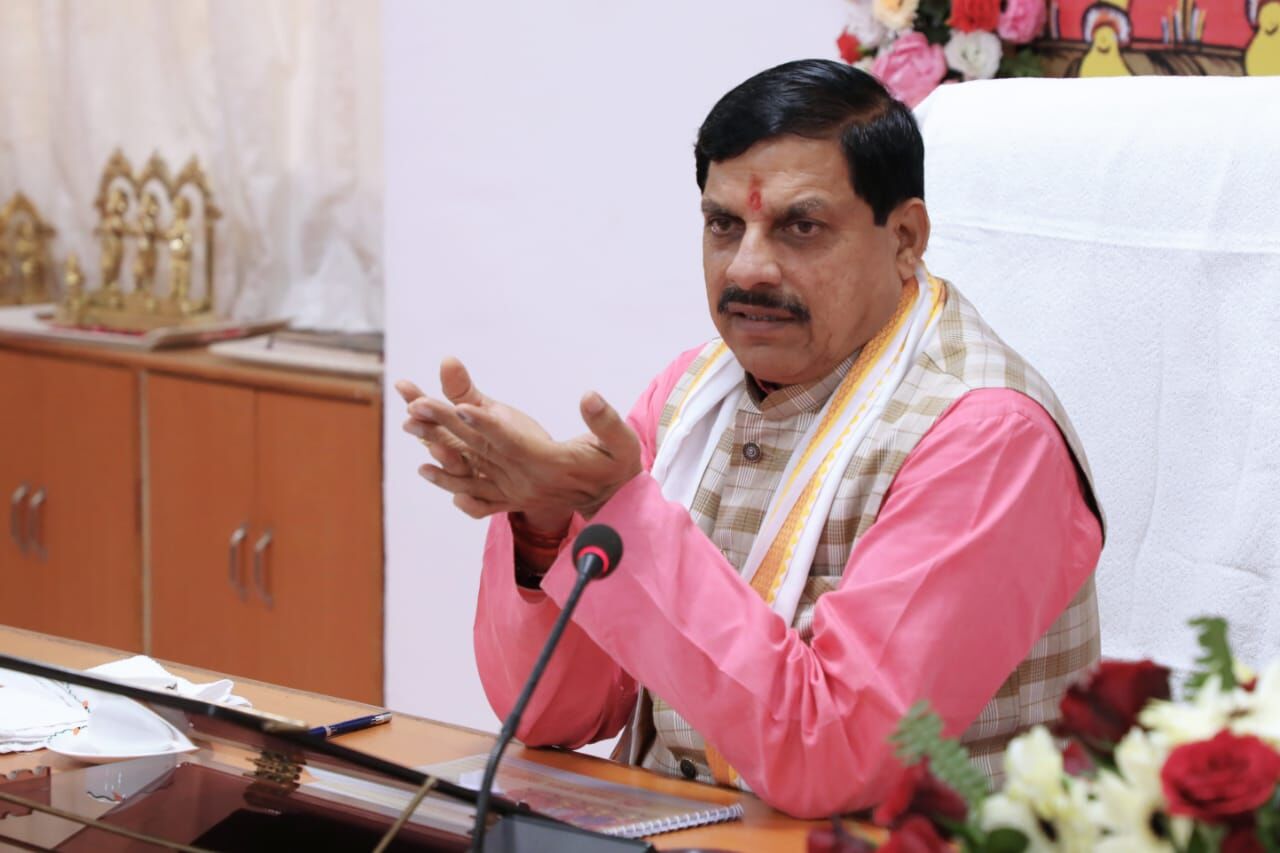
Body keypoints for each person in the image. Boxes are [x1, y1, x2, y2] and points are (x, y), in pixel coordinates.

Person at [397, 59, 1103, 819]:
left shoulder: (986, 437)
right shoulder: (690, 395)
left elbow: (836, 760)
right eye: (724, 225)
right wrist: (546, 525)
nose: (749, 268)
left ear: (904, 238)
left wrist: (617, 512)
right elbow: (552, 714)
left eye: (801, 227)